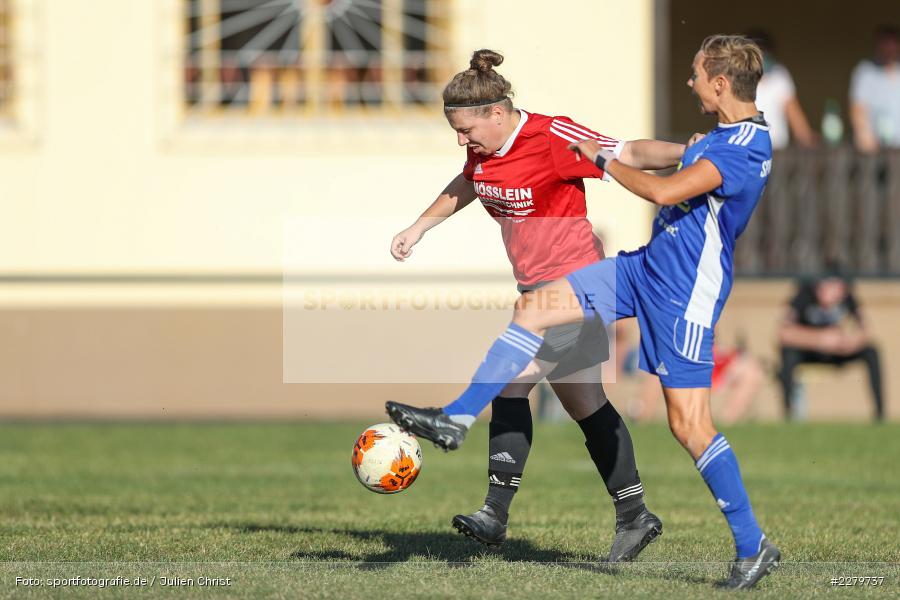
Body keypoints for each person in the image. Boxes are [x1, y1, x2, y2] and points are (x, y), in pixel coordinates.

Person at [387, 35, 780, 589]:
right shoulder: (723, 137)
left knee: (688, 425)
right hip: (642, 267)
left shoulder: (746, 146)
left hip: (683, 294)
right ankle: (456, 418)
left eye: (695, 73)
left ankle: (751, 545)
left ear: (720, 82)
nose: (688, 81)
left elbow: (663, 193)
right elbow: (664, 160)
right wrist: (421, 226)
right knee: (536, 320)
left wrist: (602, 158)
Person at [389, 49, 685, 560]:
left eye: (467, 131)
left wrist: (697, 151)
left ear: (497, 114)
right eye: (457, 133)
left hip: (576, 287)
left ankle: (490, 505)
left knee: (512, 383)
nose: (463, 141)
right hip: (536, 292)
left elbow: (629, 151)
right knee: (583, 404)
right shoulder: (484, 151)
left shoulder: (553, 138)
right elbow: (468, 181)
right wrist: (420, 226)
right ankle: (635, 515)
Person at [778, 271, 884, 421]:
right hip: (809, 352)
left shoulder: (848, 297)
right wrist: (821, 339)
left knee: (871, 351)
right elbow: (784, 334)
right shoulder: (803, 296)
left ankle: (880, 414)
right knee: (788, 354)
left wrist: (850, 342)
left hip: (837, 352)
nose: (834, 293)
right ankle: (789, 413)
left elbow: (866, 330)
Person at [747, 30, 817, 149]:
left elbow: (794, 114)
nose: (762, 58)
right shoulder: (737, 79)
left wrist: (808, 139)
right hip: (746, 151)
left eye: (765, 53)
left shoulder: (779, 75)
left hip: (777, 151)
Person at [850, 25, 900, 152]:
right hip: (876, 151)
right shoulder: (865, 71)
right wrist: (863, 135)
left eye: (892, 43)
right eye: (885, 43)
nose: (889, 48)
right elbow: (858, 109)